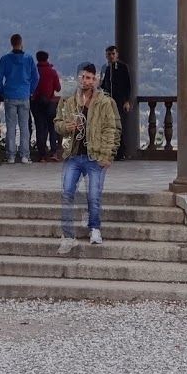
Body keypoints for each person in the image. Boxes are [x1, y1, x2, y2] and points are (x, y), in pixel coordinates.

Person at [54, 62, 120, 252]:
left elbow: (111, 129)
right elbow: (57, 123)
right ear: (78, 78)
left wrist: (108, 155)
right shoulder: (67, 100)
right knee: (67, 192)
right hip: (73, 155)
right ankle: (67, 233)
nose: (86, 81)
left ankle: (95, 228)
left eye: (90, 77)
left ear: (96, 80)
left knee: (94, 195)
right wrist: (66, 127)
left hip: (95, 156)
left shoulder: (105, 102)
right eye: (83, 77)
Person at [0, 33, 38, 164]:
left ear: (11, 43)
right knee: (24, 127)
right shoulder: (29, 59)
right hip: (24, 95)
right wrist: (30, 91)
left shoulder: (5, 59)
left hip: (9, 96)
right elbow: (36, 78)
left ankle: (11, 156)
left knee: (11, 126)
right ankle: (25, 155)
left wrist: (3, 91)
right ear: (21, 43)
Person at [99, 44, 132, 158]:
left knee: (118, 126)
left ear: (117, 54)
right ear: (106, 56)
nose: (111, 56)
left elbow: (128, 85)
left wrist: (127, 100)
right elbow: (103, 84)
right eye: (109, 54)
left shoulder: (122, 67)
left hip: (119, 100)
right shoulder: (106, 68)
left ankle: (120, 151)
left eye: (113, 54)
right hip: (108, 100)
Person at [31, 50, 62, 162]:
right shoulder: (52, 72)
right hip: (50, 102)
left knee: (40, 128)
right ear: (47, 58)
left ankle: (42, 155)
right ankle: (54, 152)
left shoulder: (34, 71)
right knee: (52, 128)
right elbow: (58, 88)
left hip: (37, 102)